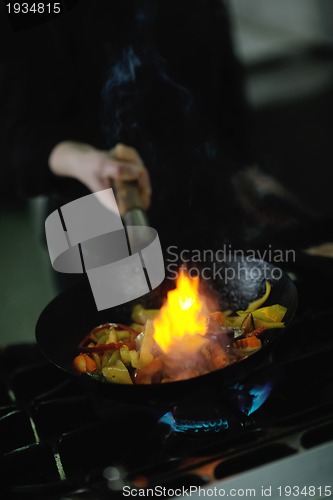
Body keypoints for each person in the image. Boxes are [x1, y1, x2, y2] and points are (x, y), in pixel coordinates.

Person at [3, 0, 331, 291]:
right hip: (101, 213)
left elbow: (225, 90)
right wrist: (86, 160)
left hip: (207, 202)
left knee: (232, 333)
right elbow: (20, 143)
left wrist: (245, 168)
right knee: (132, 348)